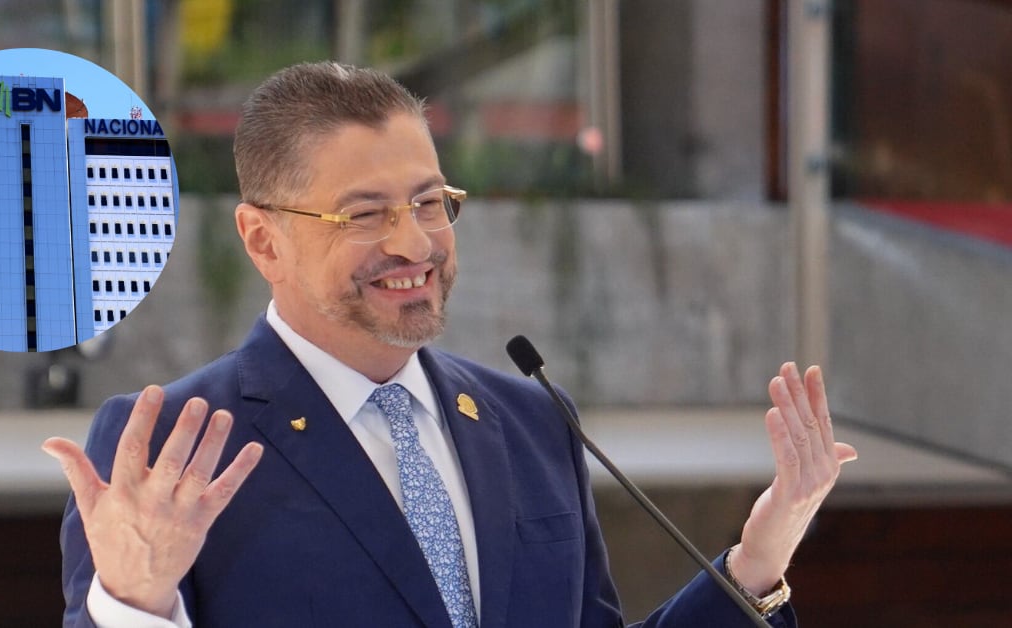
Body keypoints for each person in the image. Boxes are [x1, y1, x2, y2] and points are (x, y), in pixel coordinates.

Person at [43, 61, 857, 628]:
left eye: (430, 202)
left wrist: (760, 554)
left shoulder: (532, 422)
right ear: (261, 241)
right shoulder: (175, 447)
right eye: (364, 214)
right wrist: (136, 603)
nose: (415, 244)